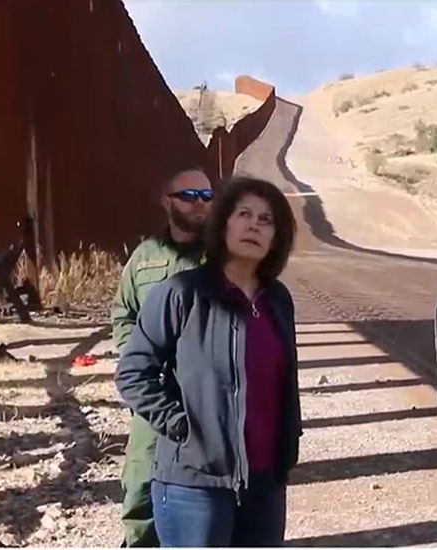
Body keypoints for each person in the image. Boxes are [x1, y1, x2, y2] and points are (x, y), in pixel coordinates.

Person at [115, 176, 302, 547]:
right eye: (244, 214)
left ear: (276, 238)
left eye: (266, 220)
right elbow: (134, 372)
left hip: (265, 483)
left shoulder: (278, 300)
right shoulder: (182, 292)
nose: (253, 225)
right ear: (224, 224)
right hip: (193, 485)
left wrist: (288, 443)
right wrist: (182, 427)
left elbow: (283, 384)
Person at [111, 167, 213, 547]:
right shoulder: (145, 257)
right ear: (167, 202)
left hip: (207, 390)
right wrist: (135, 357)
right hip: (156, 392)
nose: (200, 203)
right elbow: (123, 313)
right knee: (140, 479)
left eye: (206, 195)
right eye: (189, 196)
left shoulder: (223, 254)